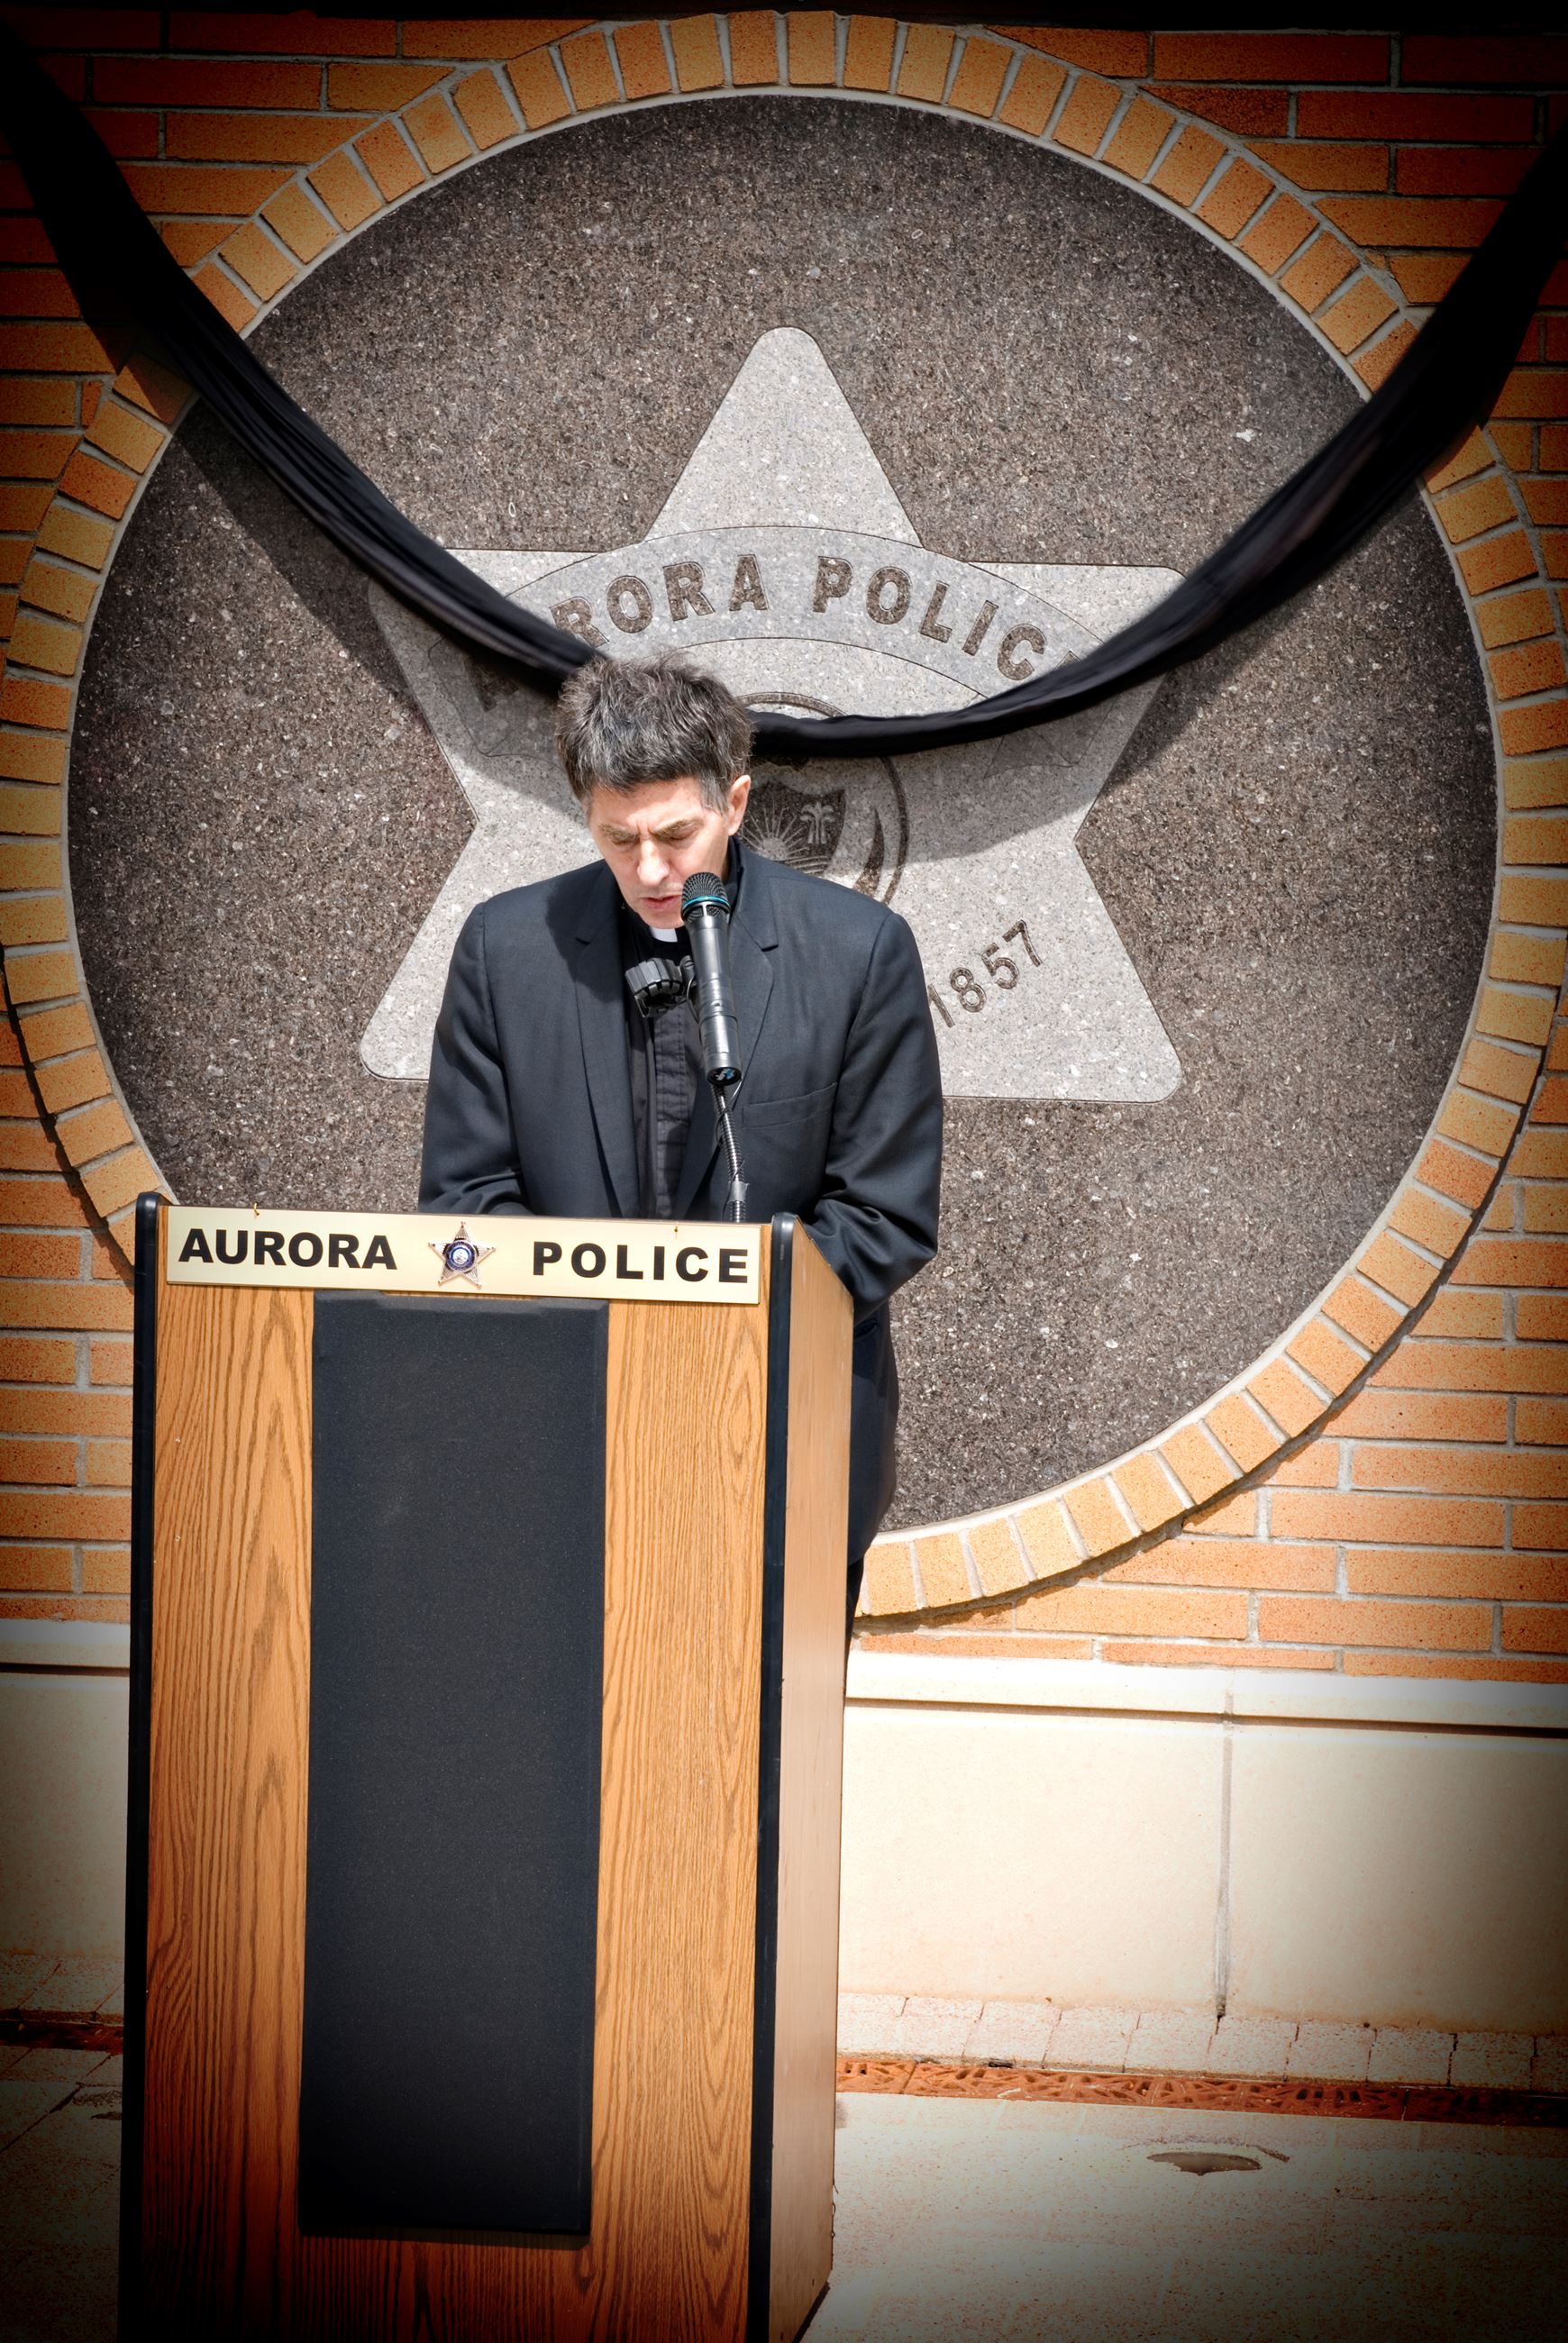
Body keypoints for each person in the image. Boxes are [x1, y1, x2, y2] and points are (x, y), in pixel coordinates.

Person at [419, 652, 943, 1622]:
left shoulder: (860, 954)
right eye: (619, 839)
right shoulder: (504, 951)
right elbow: (464, 1199)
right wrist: (611, 1328)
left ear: (736, 803)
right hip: (563, 1434)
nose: (651, 870)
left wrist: (707, 1327)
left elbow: (883, 1214)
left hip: (784, 1431)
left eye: (675, 834)